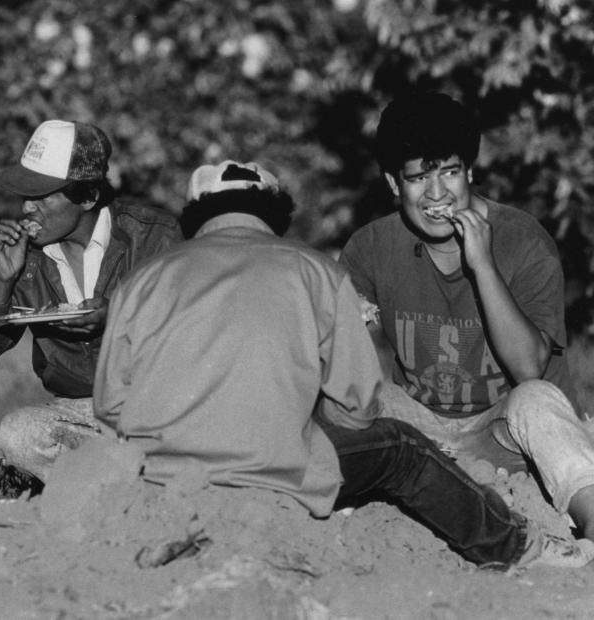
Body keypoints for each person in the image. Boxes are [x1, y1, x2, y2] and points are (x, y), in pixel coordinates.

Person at [94, 159, 594, 568]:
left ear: (195, 217)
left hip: (162, 472)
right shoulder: (310, 269)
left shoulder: (144, 280)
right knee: (401, 447)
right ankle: (519, 548)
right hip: (271, 466)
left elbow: (111, 404)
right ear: (275, 215)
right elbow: (357, 406)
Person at [338, 91, 594, 542]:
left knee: (534, 398)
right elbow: (340, 358)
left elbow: (528, 368)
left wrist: (483, 265)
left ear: (470, 172)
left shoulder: (523, 242)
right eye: (419, 179)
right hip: (422, 437)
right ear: (395, 185)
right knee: (363, 399)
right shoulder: (370, 246)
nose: (437, 194)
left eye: (450, 173)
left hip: (508, 435)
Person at [0, 119, 182, 482]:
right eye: (25, 196)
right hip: (80, 414)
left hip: (156, 405)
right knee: (16, 436)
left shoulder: (154, 237)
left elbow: (194, 328)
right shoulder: (26, 257)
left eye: (42, 196)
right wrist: (3, 282)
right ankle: (122, 484)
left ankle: (104, 484)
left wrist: (119, 317)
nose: (27, 210)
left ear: (88, 196)